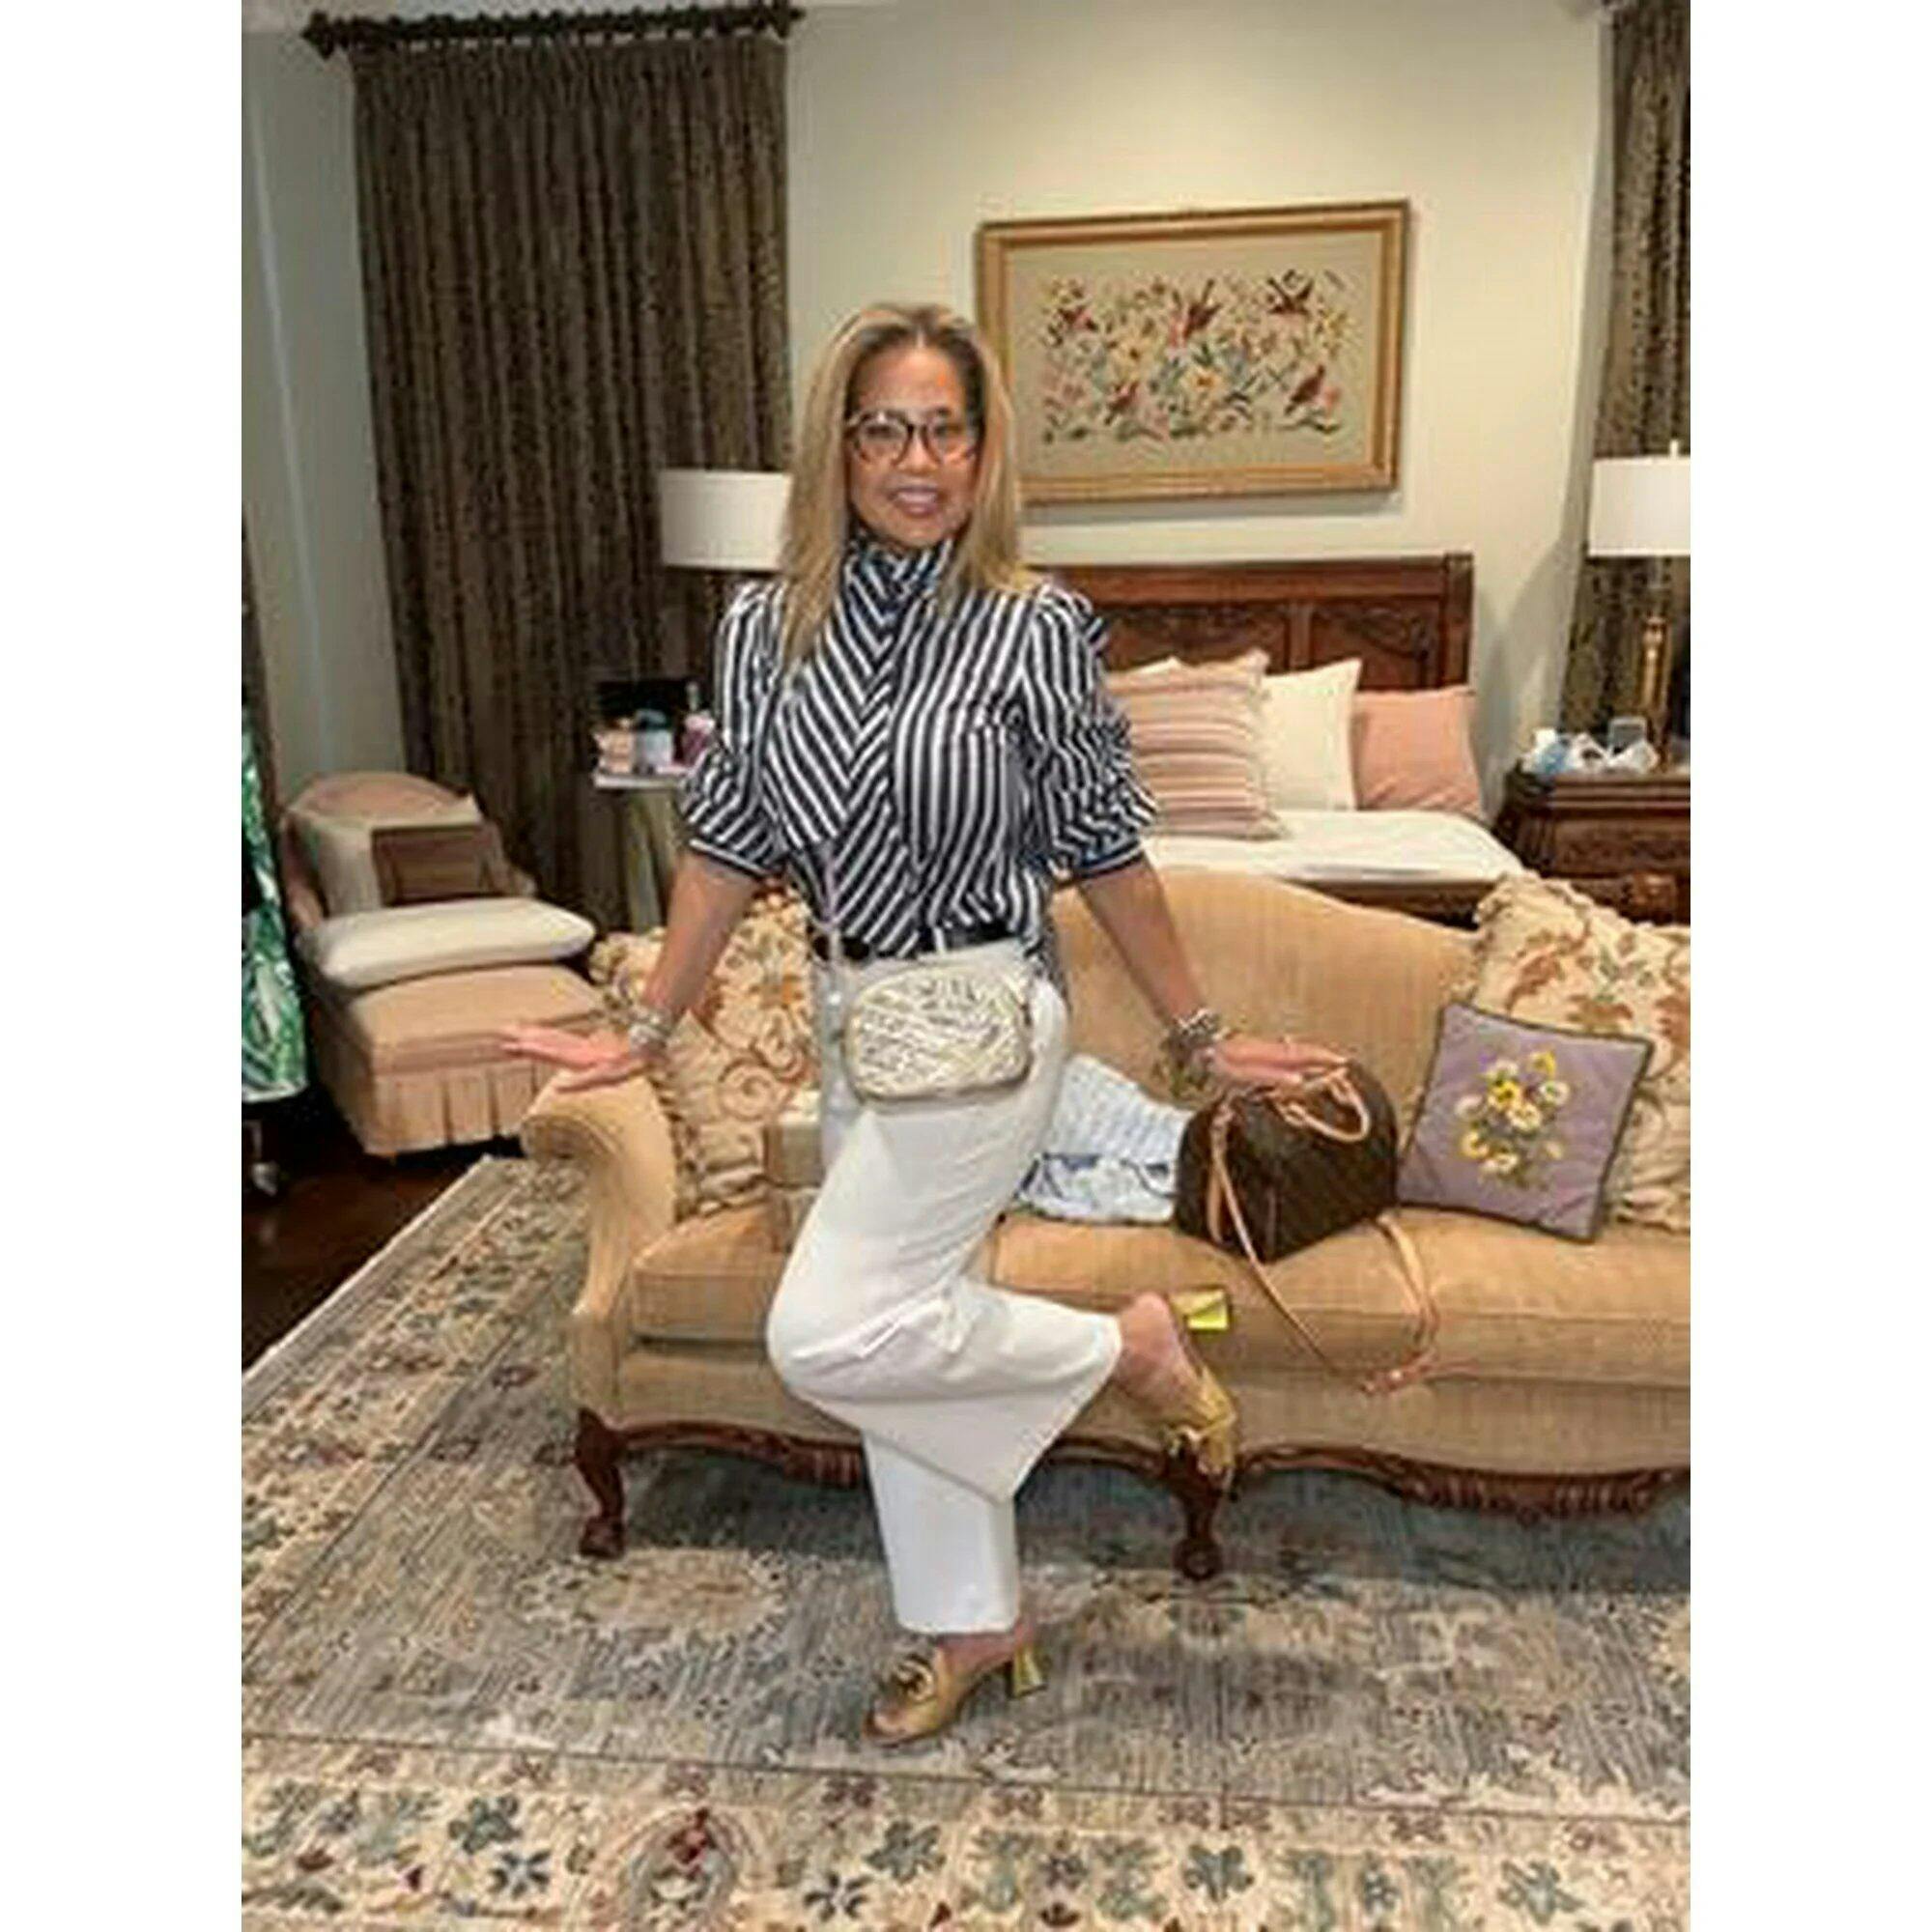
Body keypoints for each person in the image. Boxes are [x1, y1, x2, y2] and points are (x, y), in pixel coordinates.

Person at [506, 300, 1345, 1746]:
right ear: (838, 447)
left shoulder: (1036, 627)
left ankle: (1133, 1348)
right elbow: (724, 845)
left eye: (945, 429)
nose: (916, 459)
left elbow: (1107, 852)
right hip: (856, 1020)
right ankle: (975, 1621)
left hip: (989, 1019)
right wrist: (642, 1032)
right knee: (908, 1318)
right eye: (884, 428)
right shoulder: (763, 631)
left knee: (825, 1330)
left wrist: (1202, 1037)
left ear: (982, 449)